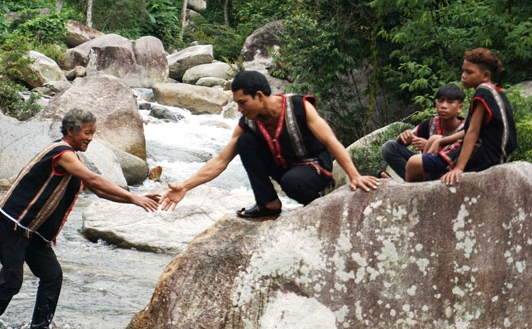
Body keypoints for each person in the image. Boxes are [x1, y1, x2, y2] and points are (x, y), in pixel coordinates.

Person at [0, 108, 159, 329]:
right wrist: (134, 197)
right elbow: (93, 179)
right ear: (70, 131)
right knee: (12, 281)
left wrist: (135, 201)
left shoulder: (73, 157)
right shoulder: (62, 153)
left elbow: (99, 190)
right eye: (87, 133)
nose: (90, 138)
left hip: (34, 232)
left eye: (93, 133)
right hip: (14, 223)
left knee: (52, 276)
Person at [160, 70, 379, 218]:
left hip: (314, 167)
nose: (240, 109)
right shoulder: (248, 122)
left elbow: (331, 141)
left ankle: (319, 209)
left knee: (293, 182)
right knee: (244, 142)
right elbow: (221, 161)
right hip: (284, 168)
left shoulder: (298, 106)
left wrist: (354, 176)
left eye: (242, 103)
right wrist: (185, 186)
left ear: (259, 96)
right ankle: (268, 203)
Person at [405, 48, 517, 183]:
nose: (463, 75)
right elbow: (469, 131)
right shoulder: (495, 92)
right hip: (493, 153)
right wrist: (442, 140)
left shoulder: (483, 92)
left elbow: (473, 132)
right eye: (463, 70)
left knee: (413, 163)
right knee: (435, 138)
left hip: (484, 155)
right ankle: (429, 179)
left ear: (485, 75)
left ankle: (412, 196)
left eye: (469, 72)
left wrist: (459, 168)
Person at [380, 84, 466, 180]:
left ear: (460, 107)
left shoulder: (465, 128)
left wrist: (428, 146)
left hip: (447, 168)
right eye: (440, 101)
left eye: (450, 102)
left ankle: (412, 184)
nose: (444, 106)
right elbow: (402, 142)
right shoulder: (429, 124)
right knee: (389, 147)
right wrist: (403, 137)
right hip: (422, 167)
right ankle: (416, 182)